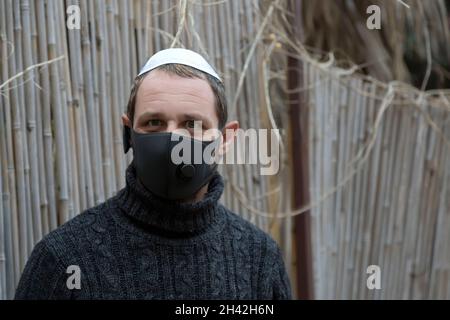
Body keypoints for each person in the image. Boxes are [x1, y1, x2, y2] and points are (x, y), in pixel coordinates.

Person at [15, 48, 292, 299]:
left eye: (192, 123)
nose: (172, 140)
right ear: (129, 133)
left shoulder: (259, 260)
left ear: (226, 139)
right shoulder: (64, 260)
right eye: (154, 122)